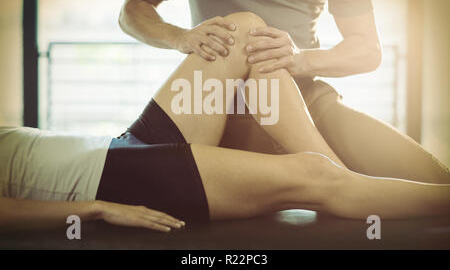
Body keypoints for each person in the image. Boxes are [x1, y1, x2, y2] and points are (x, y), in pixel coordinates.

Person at [1, 12, 450, 233]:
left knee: (245, 29)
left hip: (116, 148)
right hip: (107, 182)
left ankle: (342, 179)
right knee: (313, 176)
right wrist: (95, 209)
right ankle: (337, 182)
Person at [118, 0, 447, 181]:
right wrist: (180, 37)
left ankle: (343, 181)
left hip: (307, 103)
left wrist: (300, 58)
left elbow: (367, 49)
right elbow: (133, 9)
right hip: (214, 104)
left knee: (432, 179)